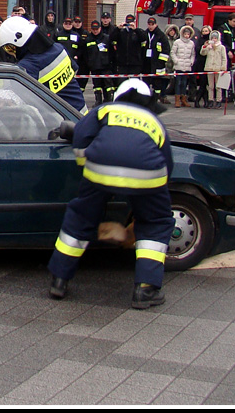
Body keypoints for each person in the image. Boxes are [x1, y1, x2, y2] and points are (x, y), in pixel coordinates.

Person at [47, 78, 174, 309]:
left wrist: (88, 168)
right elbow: (167, 160)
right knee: (156, 222)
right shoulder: (153, 120)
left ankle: (59, 280)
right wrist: (155, 193)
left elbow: (81, 138)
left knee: (80, 217)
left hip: (99, 170)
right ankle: (145, 290)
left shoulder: (104, 110)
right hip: (148, 176)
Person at [0, 15, 87, 114]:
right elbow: (74, 69)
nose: (11, 52)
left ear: (19, 41)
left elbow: (20, 98)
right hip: (82, 113)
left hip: (60, 122)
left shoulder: (28, 66)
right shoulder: (58, 48)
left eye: (10, 48)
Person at [83, 19, 113, 106]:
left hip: (105, 66)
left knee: (108, 86)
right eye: (93, 29)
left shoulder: (106, 38)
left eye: (97, 29)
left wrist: (109, 62)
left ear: (100, 28)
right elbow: (85, 54)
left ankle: (108, 100)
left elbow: (111, 52)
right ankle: (98, 101)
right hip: (94, 67)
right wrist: (89, 63)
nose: (95, 31)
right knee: (97, 86)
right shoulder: (88, 39)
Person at [142, 17, 171, 104]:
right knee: (145, 81)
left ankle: (156, 98)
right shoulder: (144, 34)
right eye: (149, 24)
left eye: (152, 25)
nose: (150, 26)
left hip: (158, 64)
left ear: (156, 25)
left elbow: (166, 50)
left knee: (157, 82)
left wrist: (160, 63)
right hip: (146, 63)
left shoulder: (161, 35)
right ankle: (145, 98)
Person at [111, 14, 144, 86]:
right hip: (123, 64)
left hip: (134, 64)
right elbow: (112, 37)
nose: (129, 25)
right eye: (128, 23)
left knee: (135, 85)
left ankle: (134, 97)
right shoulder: (121, 32)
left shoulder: (138, 32)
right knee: (122, 84)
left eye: (131, 23)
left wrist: (135, 29)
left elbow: (143, 38)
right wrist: (118, 28)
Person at [171, 25, 196, 108]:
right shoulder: (177, 42)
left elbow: (193, 54)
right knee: (178, 83)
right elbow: (173, 52)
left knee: (185, 83)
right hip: (179, 65)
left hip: (187, 66)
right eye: (185, 34)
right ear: (182, 34)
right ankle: (177, 100)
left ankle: (183, 100)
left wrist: (191, 62)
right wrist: (176, 61)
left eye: (188, 34)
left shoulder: (192, 43)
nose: (186, 36)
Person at [201, 31, 227, 108]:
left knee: (218, 86)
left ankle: (219, 100)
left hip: (218, 68)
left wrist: (223, 68)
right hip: (209, 68)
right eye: (213, 38)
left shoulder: (221, 47)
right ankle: (210, 100)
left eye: (215, 38)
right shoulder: (209, 46)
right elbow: (202, 53)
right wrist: (205, 47)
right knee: (210, 86)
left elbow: (224, 58)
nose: (214, 39)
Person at [192, 25, 212, 108]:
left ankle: (204, 101)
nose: (204, 33)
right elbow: (197, 50)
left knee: (205, 84)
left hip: (209, 63)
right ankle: (199, 101)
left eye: (206, 31)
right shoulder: (200, 40)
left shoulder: (212, 41)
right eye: (203, 31)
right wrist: (204, 45)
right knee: (203, 83)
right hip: (201, 64)